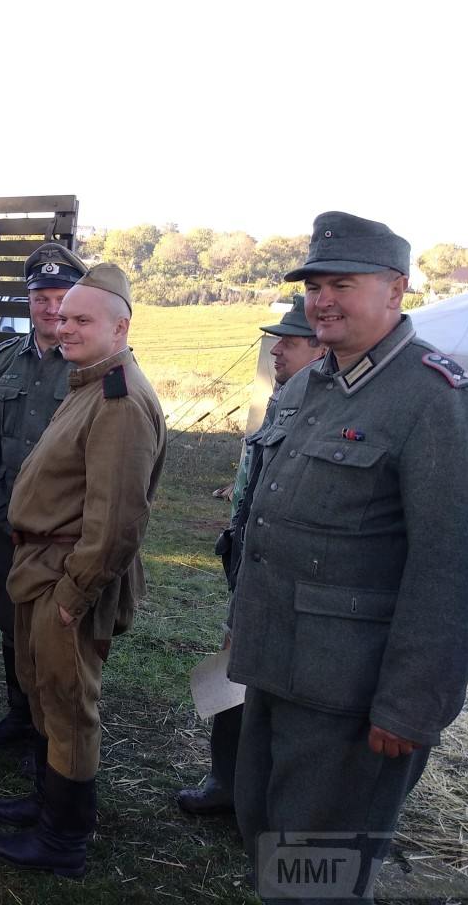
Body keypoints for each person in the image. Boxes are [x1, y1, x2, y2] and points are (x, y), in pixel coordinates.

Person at [227, 212, 468, 902]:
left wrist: (411, 706)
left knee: (316, 874)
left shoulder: (436, 400)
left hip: (353, 699)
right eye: (315, 285)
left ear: (396, 290)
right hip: (277, 670)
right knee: (265, 836)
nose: (323, 300)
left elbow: (453, 570)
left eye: (343, 283)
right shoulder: (313, 384)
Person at [0, 265, 166, 878]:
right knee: (44, 691)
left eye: (82, 319)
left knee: (67, 703)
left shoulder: (119, 400)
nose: (65, 328)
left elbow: (116, 519)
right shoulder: (89, 383)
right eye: (63, 318)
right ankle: (46, 805)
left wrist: (74, 594)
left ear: (122, 326)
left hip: (68, 572)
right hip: (46, 566)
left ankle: (62, 840)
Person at [177, 295, 326, 815]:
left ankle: (254, 796)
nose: (276, 348)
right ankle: (225, 782)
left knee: (265, 687)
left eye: (289, 340)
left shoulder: (320, 405)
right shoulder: (287, 396)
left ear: (320, 346)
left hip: (287, 579)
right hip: (249, 565)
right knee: (232, 671)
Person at [0, 243, 86, 755]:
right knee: (10, 616)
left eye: (62, 296)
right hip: (6, 520)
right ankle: (19, 717)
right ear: (28, 301)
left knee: (54, 630)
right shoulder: (4, 360)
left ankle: (51, 737)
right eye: (41, 296)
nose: (51, 307)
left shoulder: (89, 364)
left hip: (59, 530)